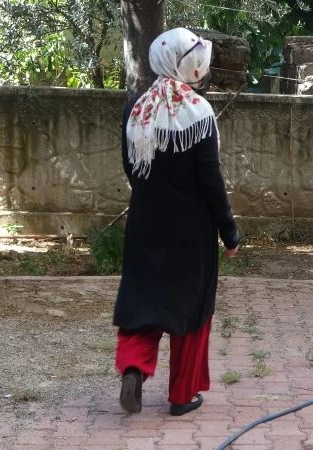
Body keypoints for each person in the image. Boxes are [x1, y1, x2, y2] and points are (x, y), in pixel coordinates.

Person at [113, 27, 240, 416]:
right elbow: (210, 180)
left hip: (145, 224)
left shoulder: (136, 109)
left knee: (143, 301)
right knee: (192, 310)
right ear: (188, 66)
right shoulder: (199, 112)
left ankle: (133, 368)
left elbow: (131, 167)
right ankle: (182, 395)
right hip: (191, 231)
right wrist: (229, 231)